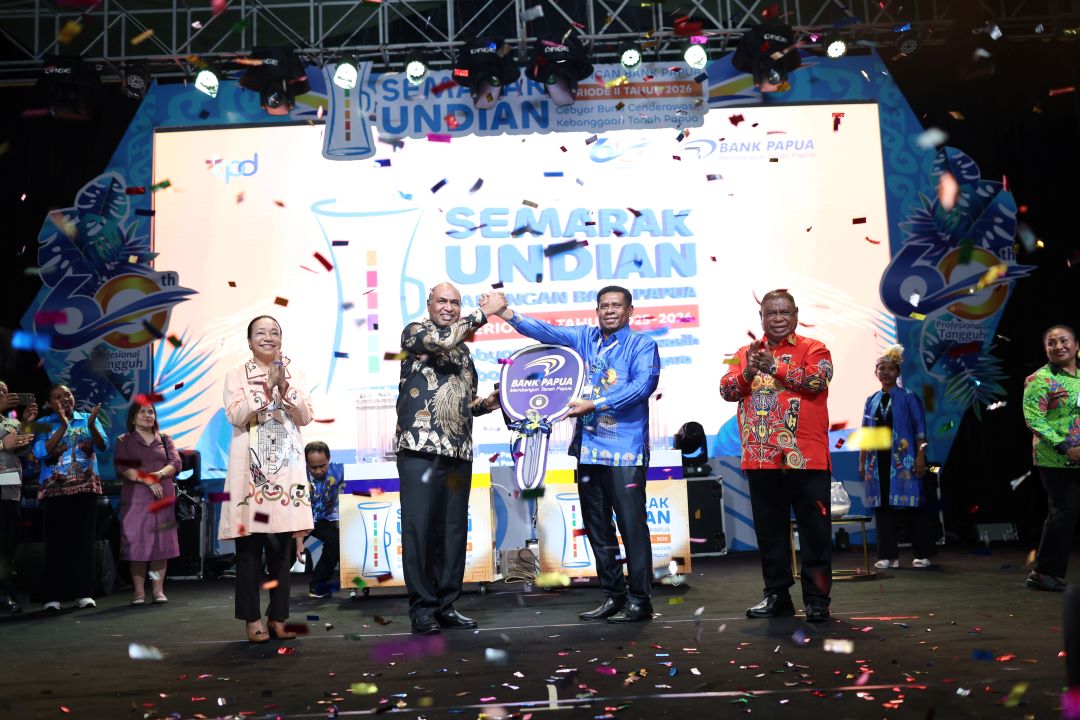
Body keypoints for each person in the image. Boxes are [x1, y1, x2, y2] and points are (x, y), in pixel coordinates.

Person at [494, 285, 661, 623]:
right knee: (597, 528)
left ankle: (640, 600)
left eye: (616, 305)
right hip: (587, 451)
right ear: (596, 310)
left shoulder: (642, 345)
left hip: (624, 453)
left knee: (631, 528)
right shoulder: (585, 338)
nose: (609, 311)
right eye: (604, 306)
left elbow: (643, 386)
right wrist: (506, 313)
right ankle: (614, 596)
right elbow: (545, 332)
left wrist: (596, 404)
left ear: (630, 311)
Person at [719, 289, 834, 622]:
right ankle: (777, 596)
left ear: (796, 314)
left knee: (814, 533)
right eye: (772, 313)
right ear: (761, 318)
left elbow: (818, 380)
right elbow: (725, 389)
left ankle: (817, 600)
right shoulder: (742, 353)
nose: (779, 318)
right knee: (770, 534)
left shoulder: (815, 348)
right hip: (761, 459)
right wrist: (748, 373)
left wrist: (775, 368)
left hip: (805, 457)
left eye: (785, 312)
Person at [395, 283, 503, 634]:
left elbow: (467, 405)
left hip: (458, 452)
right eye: (442, 301)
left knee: (452, 531)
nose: (449, 307)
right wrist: (483, 314)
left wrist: (489, 403)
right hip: (420, 449)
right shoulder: (415, 333)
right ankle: (422, 609)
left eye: (455, 303)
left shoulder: (465, 354)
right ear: (429, 304)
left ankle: (446, 605)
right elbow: (441, 341)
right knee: (420, 530)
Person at [218, 316, 314, 642]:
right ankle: (251, 619)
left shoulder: (294, 372)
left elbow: (306, 416)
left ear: (281, 339)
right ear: (249, 341)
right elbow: (235, 415)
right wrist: (264, 388)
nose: (268, 337)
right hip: (251, 475)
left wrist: (284, 388)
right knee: (248, 553)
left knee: (281, 553)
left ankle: (278, 617)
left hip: (285, 473)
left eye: (274, 332)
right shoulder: (236, 375)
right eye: (261, 333)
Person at [858, 344, 935, 569]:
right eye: (881, 368)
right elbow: (865, 433)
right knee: (882, 508)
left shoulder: (909, 397)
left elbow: (920, 431)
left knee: (913, 506)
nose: (885, 372)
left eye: (891, 368)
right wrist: (862, 462)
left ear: (898, 372)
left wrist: (920, 457)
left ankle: (922, 553)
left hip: (905, 460)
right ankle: (888, 556)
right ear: (876, 372)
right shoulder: (871, 400)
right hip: (877, 462)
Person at [32, 384, 108, 611]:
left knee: (84, 542)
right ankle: (52, 597)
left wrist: (92, 425)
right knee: (56, 543)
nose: (65, 399)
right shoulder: (43, 423)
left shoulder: (86, 418)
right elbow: (40, 452)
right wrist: (63, 426)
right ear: (49, 403)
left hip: (85, 488)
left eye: (68, 394)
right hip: (54, 490)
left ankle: (84, 594)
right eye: (58, 397)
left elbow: (103, 446)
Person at [1023, 324, 1080, 592]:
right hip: (1055, 458)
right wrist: (1066, 447)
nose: (1058, 346)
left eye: (1064, 340)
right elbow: (1034, 419)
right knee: (1064, 512)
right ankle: (1043, 572)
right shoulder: (1040, 379)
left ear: (1076, 345)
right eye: (1051, 343)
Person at [114, 402, 181, 605]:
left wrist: (158, 474)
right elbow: (123, 469)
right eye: (142, 412)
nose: (147, 415)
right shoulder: (124, 440)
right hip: (136, 499)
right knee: (138, 546)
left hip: (162, 498)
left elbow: (175, 463)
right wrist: (148, 480)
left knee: (160, 546)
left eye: (151, 411)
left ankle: (157, 590)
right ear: (133, 417)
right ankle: (139, 592)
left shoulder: (165, 438)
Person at [0, 383, 38, 613]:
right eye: (0, 392)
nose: (4, 395)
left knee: (6, 543)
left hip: (9, 488)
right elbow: (6, 445)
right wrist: (3, 444)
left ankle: (4, 594)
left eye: (6, 392)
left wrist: (26, 424)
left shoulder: (12, 424)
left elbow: (23, 452)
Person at [304, 441, 343, 599]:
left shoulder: (338, 471)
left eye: (322, 466)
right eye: (313, 467)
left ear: (329, 459)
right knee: (287, 550)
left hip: (323, 520)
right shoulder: (297, 475)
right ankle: (278, 588)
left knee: (337, 542)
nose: (319, 471)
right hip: (300, 520)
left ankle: (318, 584)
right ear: (306, 463)